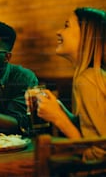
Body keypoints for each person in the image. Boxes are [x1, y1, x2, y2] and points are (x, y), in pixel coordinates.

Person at [30, 7, 106, 139]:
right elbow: (86, 132)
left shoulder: (89, 79)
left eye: (66, 26)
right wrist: (59, 109)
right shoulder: (91, 75)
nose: (58, 32)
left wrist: (58, 118)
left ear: (86, 35)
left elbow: (99, 152)